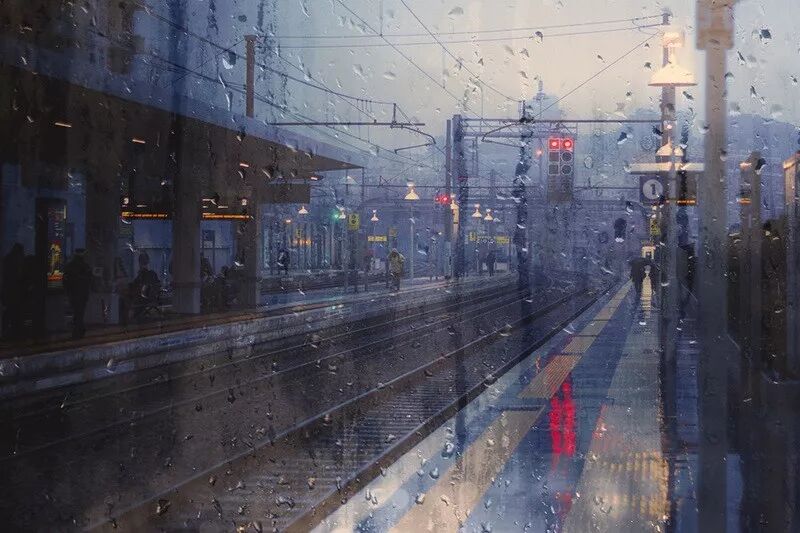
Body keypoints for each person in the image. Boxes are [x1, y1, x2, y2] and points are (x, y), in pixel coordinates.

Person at [63, 249, 92, 339]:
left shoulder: (69, 266)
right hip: (82, 294)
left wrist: (68, 291)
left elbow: (65, 280)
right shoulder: (86, 266)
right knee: (79, 313)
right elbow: (90, 281)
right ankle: (78, 331)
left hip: (73, 293)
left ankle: (78, 330)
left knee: (76, 313)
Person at [1, 243, 25, 339]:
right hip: (15, 291)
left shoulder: (7, 260)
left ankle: (7, 330)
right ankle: (15, 331)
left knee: (9, 311)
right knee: (15, 312)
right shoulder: (17, 261)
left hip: (9, 290)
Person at [131, 252, 160, 319]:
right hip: (151, 298)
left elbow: (137, 286)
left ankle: (133, 317)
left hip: (143, 299)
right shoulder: (152, 274)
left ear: (139, 262)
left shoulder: (143, 274)